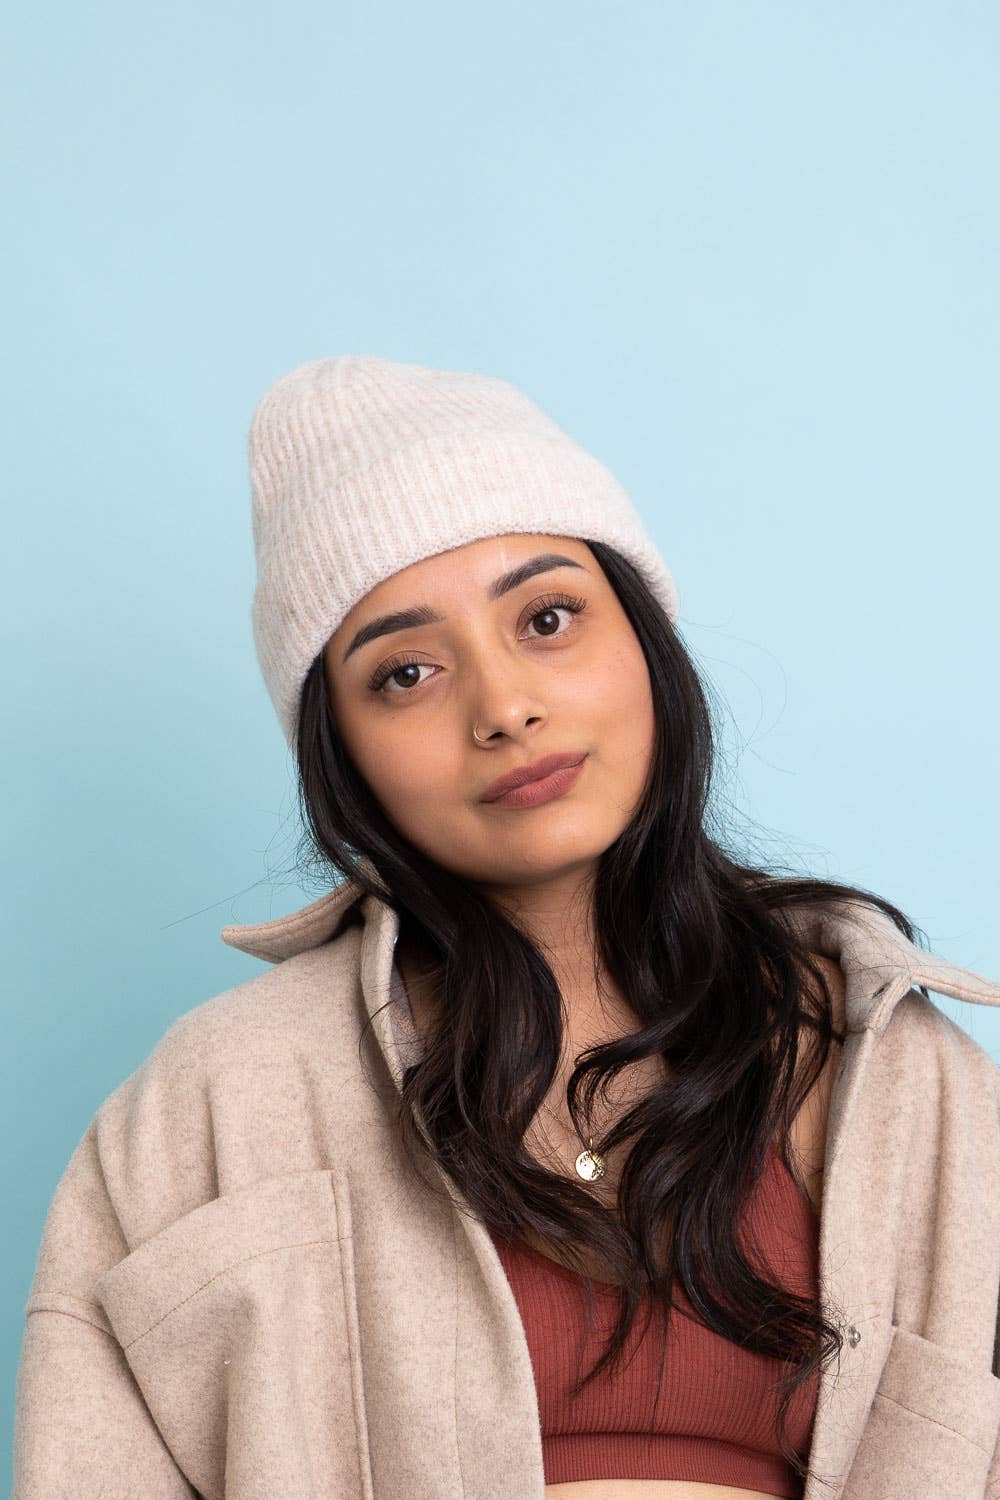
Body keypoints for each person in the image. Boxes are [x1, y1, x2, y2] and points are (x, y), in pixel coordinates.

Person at [13, 355, 1000, 1500]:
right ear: (338, 752)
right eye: (406, 672)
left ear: (643, 640)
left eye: (547, 617)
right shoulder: (210, 1106)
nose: (504, 706)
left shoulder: (909, 1081)